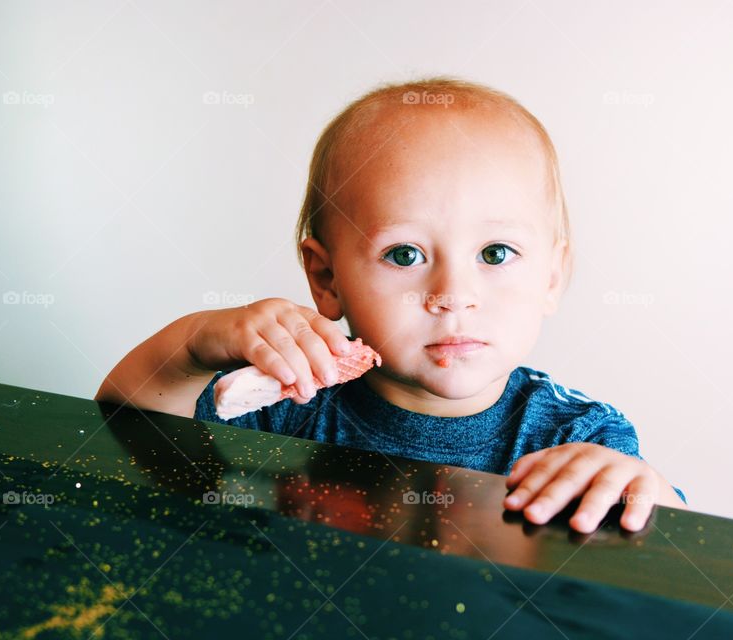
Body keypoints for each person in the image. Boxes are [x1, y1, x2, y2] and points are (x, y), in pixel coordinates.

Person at [96, 76, 687, 534]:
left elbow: (667, 546)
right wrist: (199, 341)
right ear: (327, 279)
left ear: (553, 277)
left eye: (496, 252)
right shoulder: (290, 401)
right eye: (404, 255)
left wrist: (644, 489)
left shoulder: (574, 434)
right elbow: (127, 426)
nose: (454, 295)